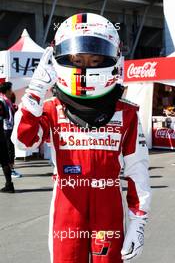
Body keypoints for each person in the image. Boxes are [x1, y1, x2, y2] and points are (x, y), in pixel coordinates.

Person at [12, 13, 151, 263]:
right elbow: (23, 141)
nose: (86, 65)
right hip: (67, 206)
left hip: (108, 205)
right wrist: (34, 92)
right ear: (61, 58)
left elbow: (137, 172)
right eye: (78, 58)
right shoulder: (50, 108)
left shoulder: (126, 113)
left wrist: (138, 222)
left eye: (95, 58)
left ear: (113, 57)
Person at [0, 82, 22, 178]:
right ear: (8, 91)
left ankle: (10, 169)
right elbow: (5, 116)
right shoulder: (3, 100)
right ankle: (11, 170)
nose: (12, 91)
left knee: (8, 150)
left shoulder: (6, 100)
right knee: (9, 150)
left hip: (8, 128)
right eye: (11, 89)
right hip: (6, 129)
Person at [0, 88, 15, 193]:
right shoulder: (3, 101)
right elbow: (5, 116)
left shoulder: (2, 101)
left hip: (2, 134)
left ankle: (9, 185)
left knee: (5, 160)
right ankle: (9, 184)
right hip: (2, 134)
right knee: (5, 160)